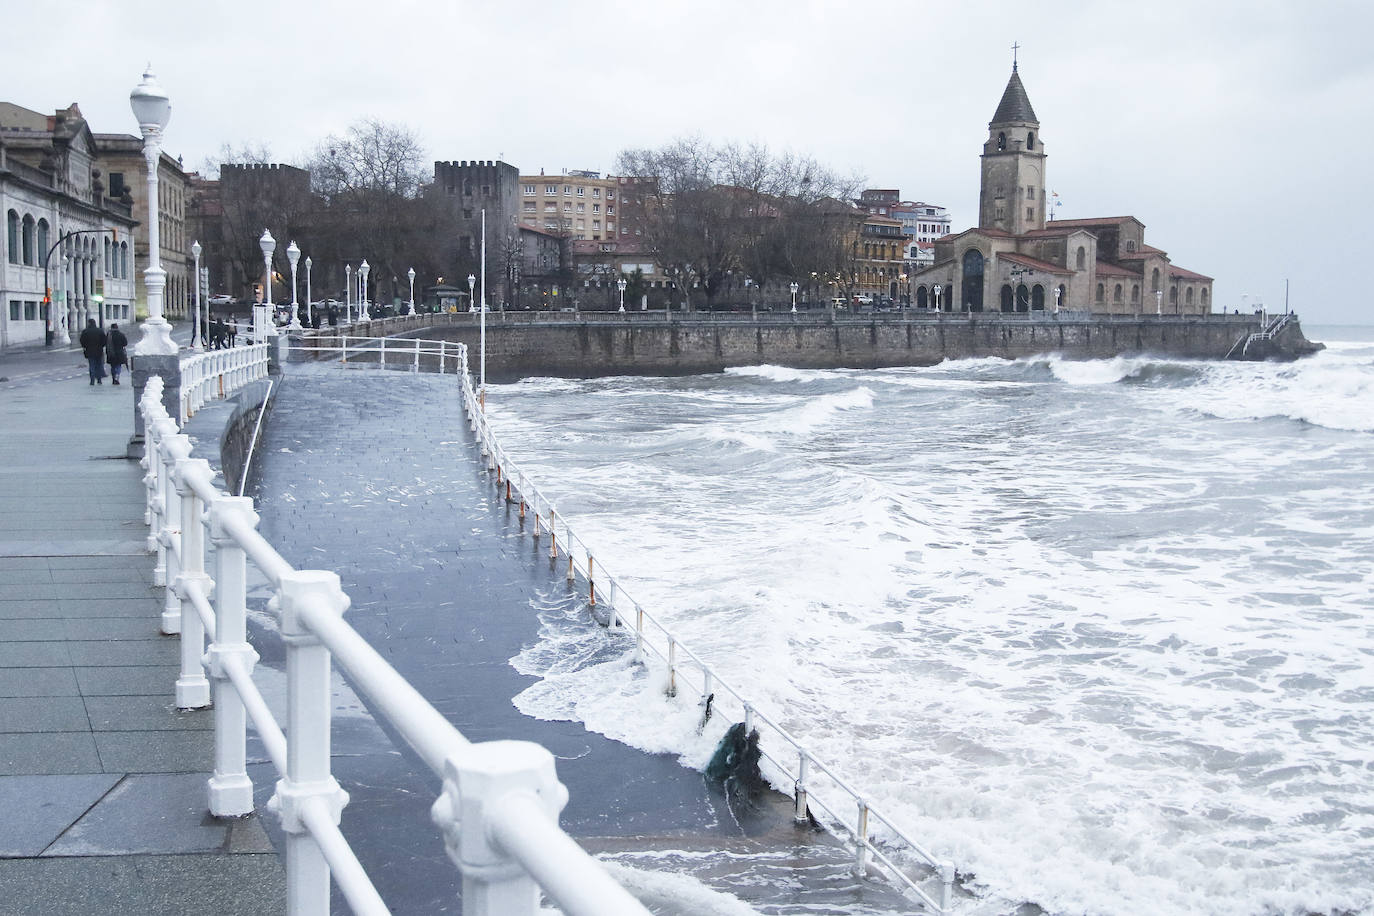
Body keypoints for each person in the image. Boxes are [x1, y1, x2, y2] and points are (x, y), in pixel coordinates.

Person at [79, 319, 106, 385]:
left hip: (89, 351)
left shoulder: (85, 331)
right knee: (99, 365)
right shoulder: (100, 331)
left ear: (89, 323)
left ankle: (92, 380)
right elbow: (104, 341)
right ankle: (99, 379)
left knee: (92, 365)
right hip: (99, 350)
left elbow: (82, 341)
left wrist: (85, 346)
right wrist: (101, 345)